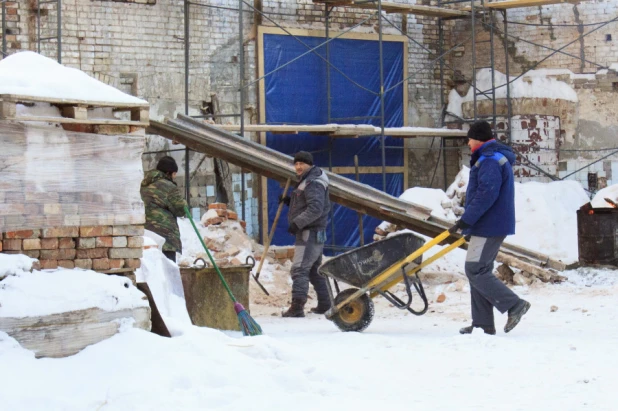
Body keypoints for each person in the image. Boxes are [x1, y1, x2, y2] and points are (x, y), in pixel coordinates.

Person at [450, 120, 531, 335]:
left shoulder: (489, 160)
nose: (468, 143)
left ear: (477, 139)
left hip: (489, 224)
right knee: (478, 270)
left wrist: (467, 219)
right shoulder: (491, 157)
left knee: (475, 269)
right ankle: (482, 325)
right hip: (489, 224)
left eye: (469, 139)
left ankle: (514, 305)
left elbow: (487, 194)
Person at [279, 151, 331, 317]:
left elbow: (315, 209)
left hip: (309, 232)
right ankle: (325, 303)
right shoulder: (309, 180)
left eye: (302, 163)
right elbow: (307, 203)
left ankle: (297, 307)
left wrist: (297, 223)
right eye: (296, 164)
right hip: (315, 232)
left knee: (299, 269)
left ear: (310, 164)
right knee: (314, 270)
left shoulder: (313, 182)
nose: (299, 167)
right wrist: (290, 202)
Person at [140, 156, 188, 263]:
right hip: (166, 238)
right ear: (169, 172)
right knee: (168, 273)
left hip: (148, 237)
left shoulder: (144, 185)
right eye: (174, 173)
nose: (175, 177)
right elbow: (181, 209)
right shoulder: (169, 187)